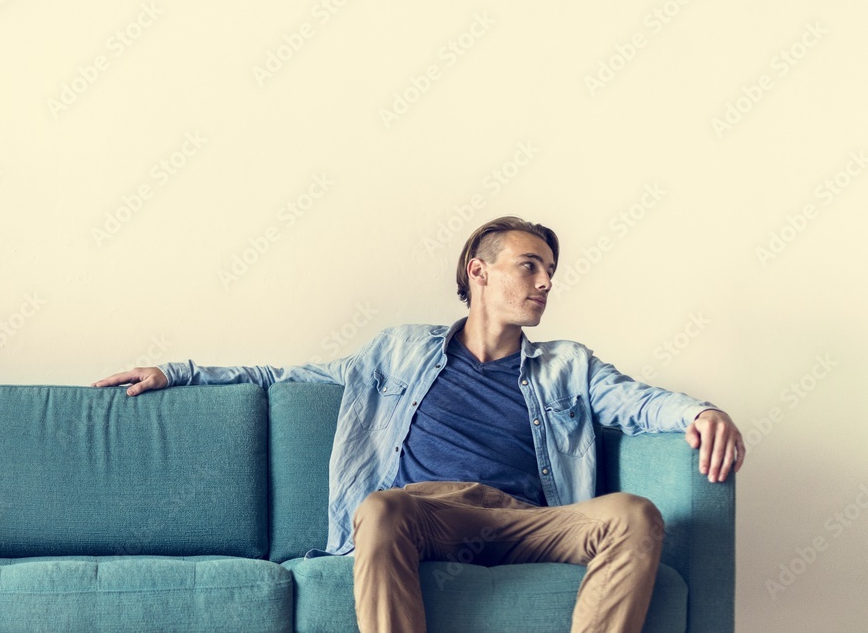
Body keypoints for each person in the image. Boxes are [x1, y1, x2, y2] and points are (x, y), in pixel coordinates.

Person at [93, 215, 745, 633]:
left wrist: (700, 412)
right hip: (428, 512)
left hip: (528, 520)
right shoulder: (397, 352)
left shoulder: (567, 365)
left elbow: (637, 401)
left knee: (634, 515)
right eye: (531, 266)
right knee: (378, 510)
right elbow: (286, 376)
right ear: (479, 272)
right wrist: (177, 373)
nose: (546, 281)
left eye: (551, 271)